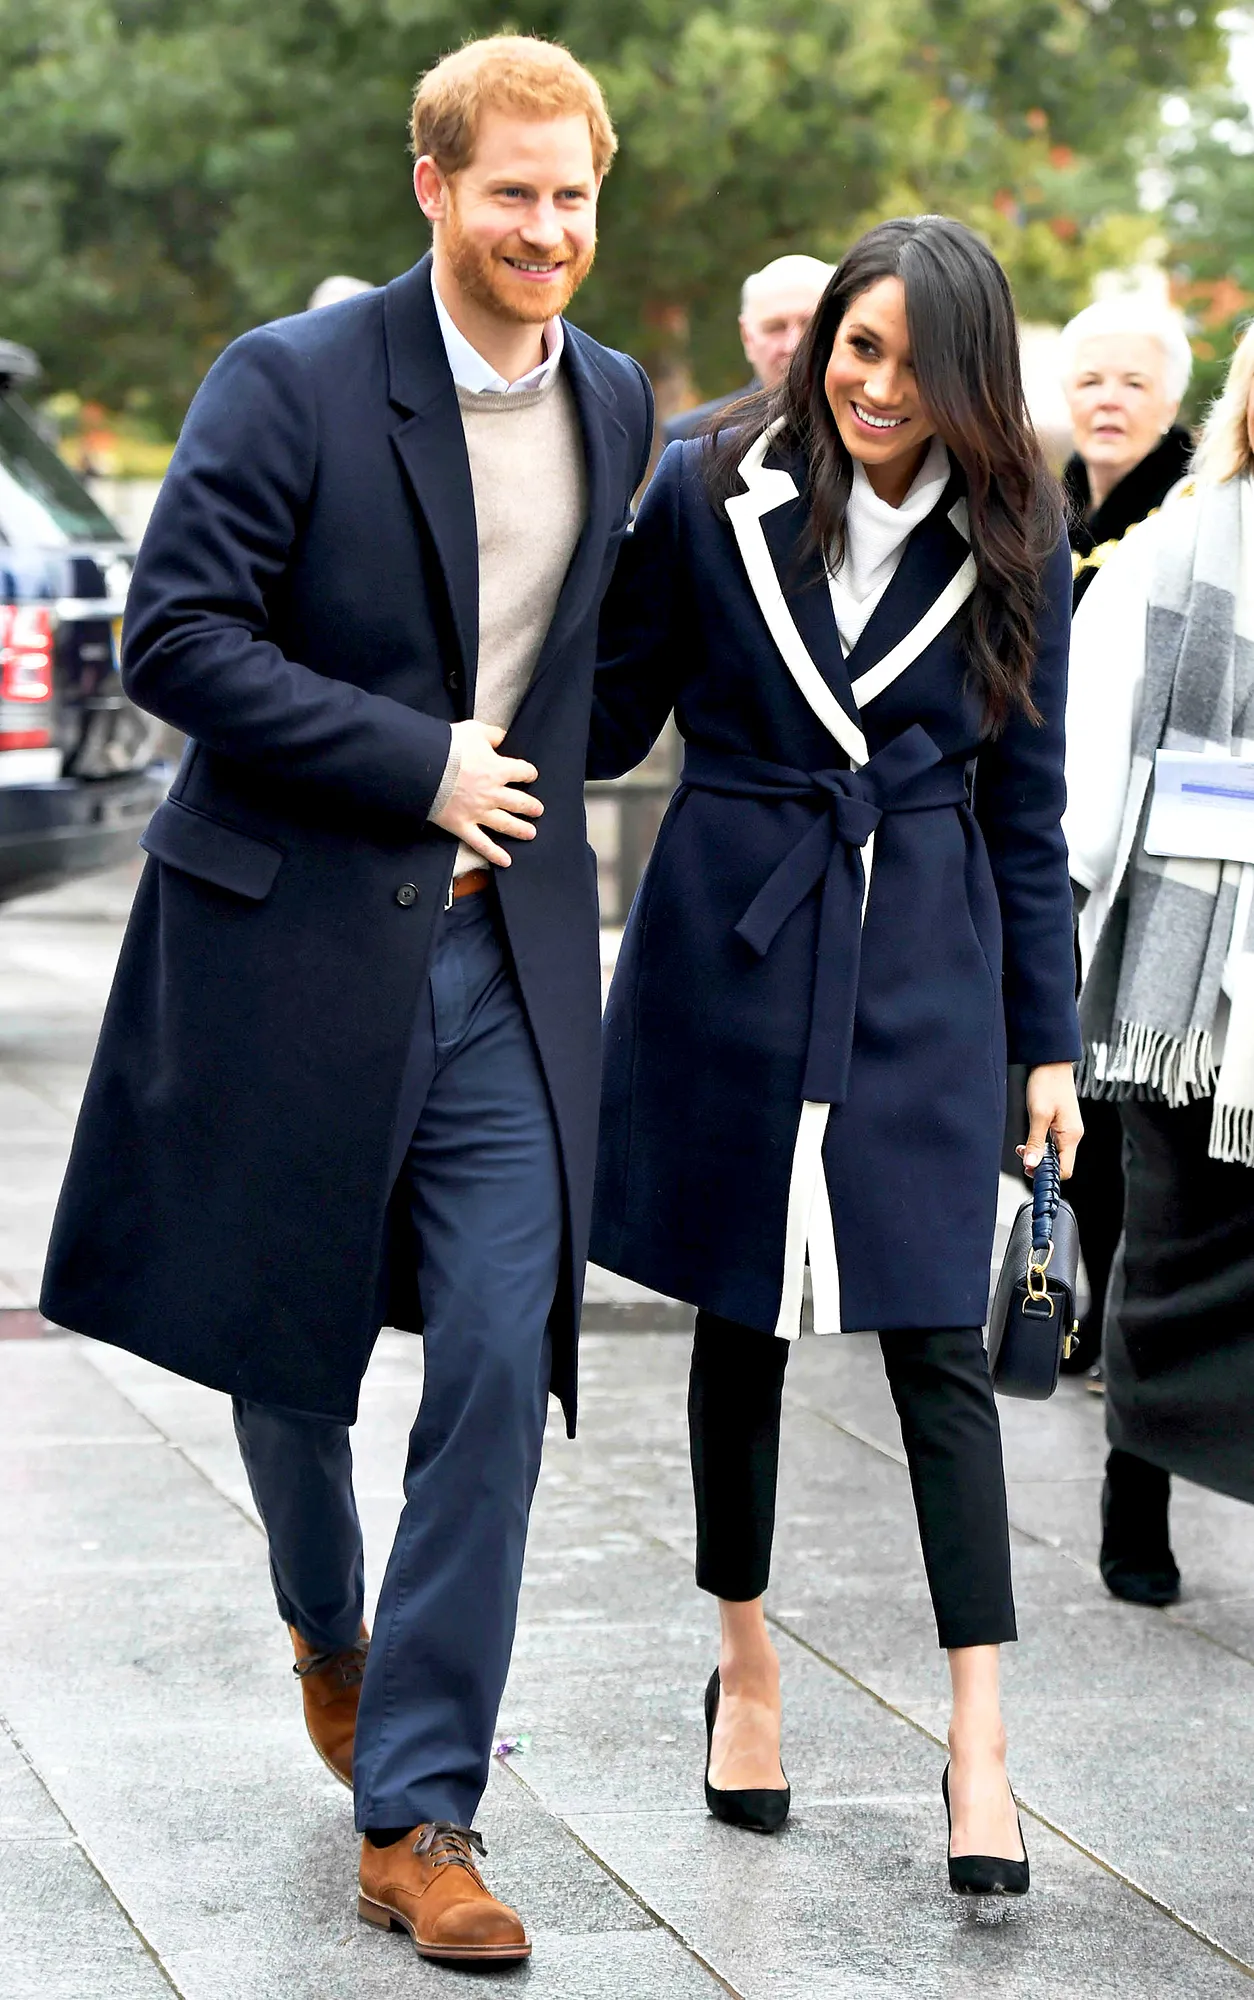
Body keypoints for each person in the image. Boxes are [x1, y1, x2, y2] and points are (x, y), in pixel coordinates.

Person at [40, 35, 652, 1966]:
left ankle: (420, 1813)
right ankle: (329, 1627)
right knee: (286, 1356)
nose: (543, 228)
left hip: (503, 966)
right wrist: (416, 761)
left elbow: (593, 679)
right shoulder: (289, 379)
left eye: (570, 196)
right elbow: (176, 636)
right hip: (293, 944)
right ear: (432, 186)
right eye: (510, 192)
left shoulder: (617, 401)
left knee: (492, 1360)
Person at [590, 215, 1082, 1893]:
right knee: (740, 1320)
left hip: (924, 954)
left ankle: (980, 1742)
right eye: (854, 348)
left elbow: (1027, 809)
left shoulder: (1020, 520)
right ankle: (741, 1669)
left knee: (938, 1337)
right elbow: (608, 711)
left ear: (967, 379)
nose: (874, 386)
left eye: (912, 364)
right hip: (733, 939)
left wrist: (1045, 1045)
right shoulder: (700, 483)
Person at [1064, 321, 1254, 1608]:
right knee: (1168, 1239)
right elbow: (1088, 781)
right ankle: (1137, 1485)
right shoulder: (1167, 554)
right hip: (1179, 983)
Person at [1052, 297, 1196, 1375]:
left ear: (1174, 400)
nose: (1109, 400)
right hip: (1049, 838)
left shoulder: (1195, 516)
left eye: (1133, 383)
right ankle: (1077, 1299)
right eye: (1091, 380)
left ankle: (1136, 1321)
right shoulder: (1048, 513)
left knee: (1131, 1096)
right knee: (1065, 1088)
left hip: (1158, 849)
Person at [663, 253, 834, 444]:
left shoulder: (860, 423)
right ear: (747, 337)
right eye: (775, 328)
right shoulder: (697, 438)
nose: (793, 345)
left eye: (811, 326)